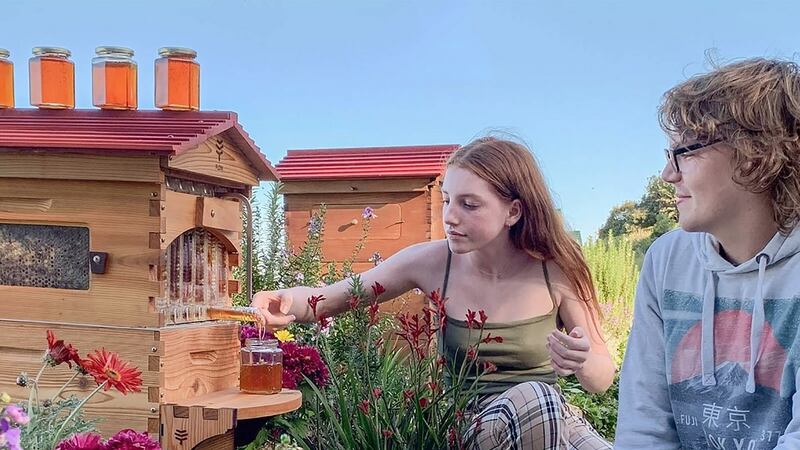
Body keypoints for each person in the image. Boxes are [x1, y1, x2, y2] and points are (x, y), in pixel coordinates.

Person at [254, 137, 615, 449]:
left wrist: (583, 361)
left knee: (550, 409)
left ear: (513, 211)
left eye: (468, 205)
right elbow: (332, 297)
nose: (450, 217)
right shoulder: (430, 262)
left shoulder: (557, 266)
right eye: (447, 200)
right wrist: (284, 302)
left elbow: (601, 378)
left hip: (553, 421)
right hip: (471, 425)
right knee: (538, 397)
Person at [615, 58, 800, 449]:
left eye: (684, 151)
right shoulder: (666, 260)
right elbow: (643, 424)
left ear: (755, 155)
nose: (668, 174)